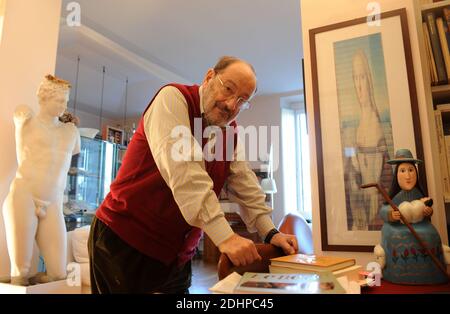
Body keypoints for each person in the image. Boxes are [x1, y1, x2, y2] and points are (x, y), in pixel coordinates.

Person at [88, 56, 298, 294]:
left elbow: (244, 183)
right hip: (124, 242)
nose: (231, 105)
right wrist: (225, 238)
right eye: (228, 89)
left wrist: (271, 232)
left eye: (242, 101)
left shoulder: (230, 131)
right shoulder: (172, 99)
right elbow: (186, 173)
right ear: (209, 77)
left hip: (176, 255)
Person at [2, 74, 81, 285]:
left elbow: (76, 150)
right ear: (43, 98)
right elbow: (19, 113)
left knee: (58, 274)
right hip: (24, 196)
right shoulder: (26, 119)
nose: (64, 105)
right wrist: (21, 115)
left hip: (53, 203)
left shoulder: (71, 131)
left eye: (66, 101)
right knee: (21, 273)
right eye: (59, 100)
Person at [375, 149, 448, 284]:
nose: (408, 176)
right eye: (402, 171)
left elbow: (426, 206)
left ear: (416, 172)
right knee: (395, 238)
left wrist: (428, 212)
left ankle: (431, 273)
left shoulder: (418, 194)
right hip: (397, 228)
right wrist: (391, 214)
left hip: (421, 226)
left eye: (411, 170)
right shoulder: (395, 197)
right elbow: (384, 209)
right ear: (397, 175)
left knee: (431, 234)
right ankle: (397, 272)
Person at [347, 49, 392, 230]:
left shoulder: (381, 125)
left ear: (370, 80)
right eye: (355, 78)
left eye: (363, 77)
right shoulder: (354, 128)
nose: (359, 85)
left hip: (378, 214)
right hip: (360, 213)